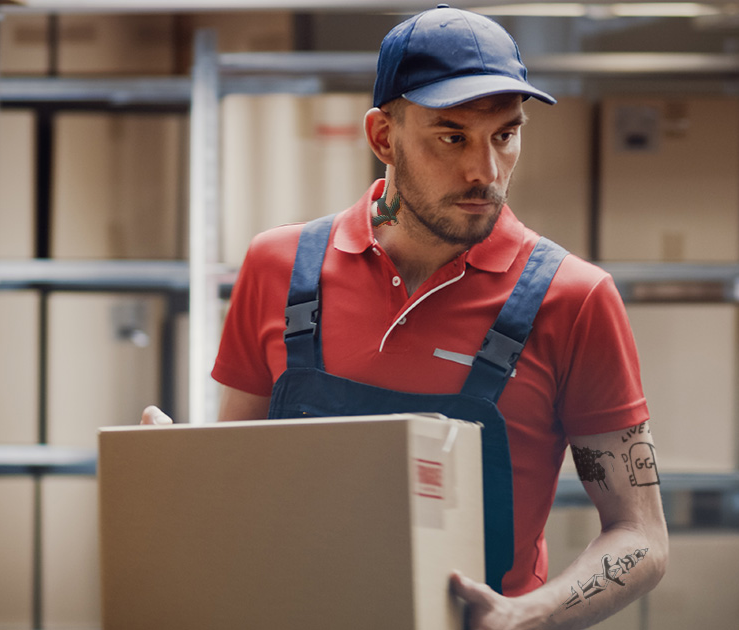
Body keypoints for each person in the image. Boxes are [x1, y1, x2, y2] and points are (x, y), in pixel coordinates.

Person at [143, 4, 667, 628]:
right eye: (453, 137)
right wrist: (174, 478)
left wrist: (530, 614)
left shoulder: (574, 299)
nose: (486, 171)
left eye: (505, 134)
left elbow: (641, 537)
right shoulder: (278, 267)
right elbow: (242, 485)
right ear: (383, 137)